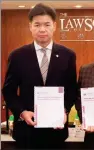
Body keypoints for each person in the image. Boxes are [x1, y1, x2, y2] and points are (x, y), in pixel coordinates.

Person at [2, 3, 77, 149]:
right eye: (37, 25)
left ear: (54, 26)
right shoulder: (17, 56)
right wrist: (22, 112)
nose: (42, 29)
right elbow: (8, 91)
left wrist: (65, 110)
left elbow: (72, 89)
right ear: (30, 26)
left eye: (47, 24)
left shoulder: (68, 55)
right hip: (26, 132)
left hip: (57, 131)